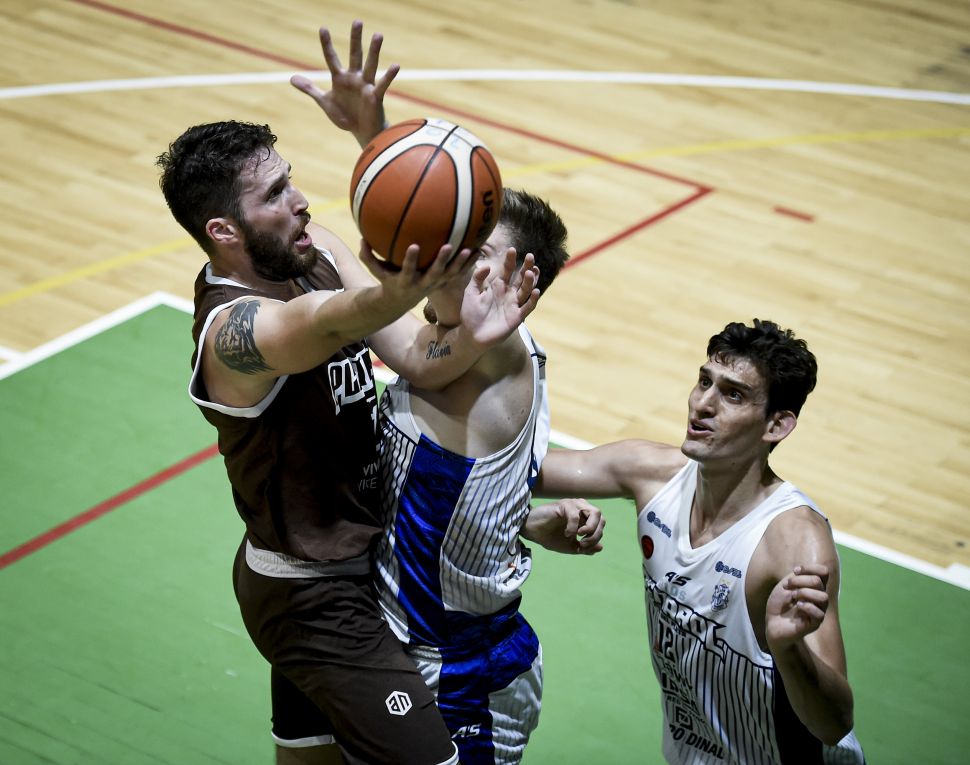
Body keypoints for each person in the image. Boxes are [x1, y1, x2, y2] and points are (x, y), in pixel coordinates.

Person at [156, 21, 543, 765]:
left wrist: (377, 135)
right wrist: (402, 289)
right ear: (223, 230)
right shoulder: (234, 333)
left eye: (292, 179)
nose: (301, 201)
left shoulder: (317, 250)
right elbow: (324, 321)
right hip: (309, 596)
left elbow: (419, 359)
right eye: (276, 194)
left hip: (370, 569)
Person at [535, 319, 866, 764]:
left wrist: (788, 650)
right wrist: (527, 522)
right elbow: (504, 470)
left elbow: (833, 723)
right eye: (704, 381)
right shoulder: (653, 475)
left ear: (776, 425)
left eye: (733, 395)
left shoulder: (793, 543)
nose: (703, 404)